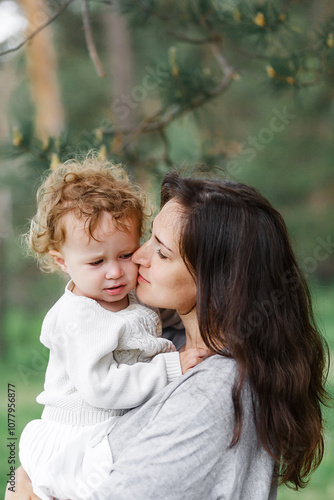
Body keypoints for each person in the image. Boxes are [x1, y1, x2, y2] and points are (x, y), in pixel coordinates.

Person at [7, 171, 329, 500]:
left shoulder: (212, 391)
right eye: (148, 239)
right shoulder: (169, 338)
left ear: (218, 279)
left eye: (161, 252)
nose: (137, 258)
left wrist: (22, 487)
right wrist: (24, 477)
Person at [17, 160, 210, 500]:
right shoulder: (79, 318)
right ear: (63, 262)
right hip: (79, 439)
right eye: (96, 262)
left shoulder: (129, 296)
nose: (115, 272)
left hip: (109, 430)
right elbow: (102, 387)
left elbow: (148, 326)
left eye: (125, 254)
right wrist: (172, 366)